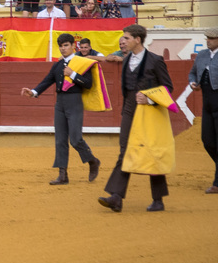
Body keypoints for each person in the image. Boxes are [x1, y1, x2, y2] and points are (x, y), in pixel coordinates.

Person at [99, 24, 173, 213]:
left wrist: (150, 99)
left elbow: (167, 88)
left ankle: (158, 200)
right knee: (125, 150)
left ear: (137, 39)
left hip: (150, 112)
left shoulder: (155, 60)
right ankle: (116, 196)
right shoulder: (126, 61)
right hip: (130, 109)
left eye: (126, 38)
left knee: (151, 152)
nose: (122, 41)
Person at [21, 33, 102, 185]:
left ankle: (92, 161)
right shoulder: (57, 65)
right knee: (60, 140)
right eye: (61, 46)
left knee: (76, 139)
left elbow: (88, 84)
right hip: (60, 103)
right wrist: (33, 92)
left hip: (74, 101)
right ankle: (63, 175)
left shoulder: (82, 63)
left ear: (73, 46)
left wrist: (73, 74)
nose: (63, 48)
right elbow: (47, 81)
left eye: (66, 45)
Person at [188, 28, 218, 193]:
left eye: (212, 38)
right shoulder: (202, 55)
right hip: (207, 104)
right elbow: (192, 73)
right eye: (208, 38)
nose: (209, 41)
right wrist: (193, 83)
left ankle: (217, 183)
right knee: (208, 141)